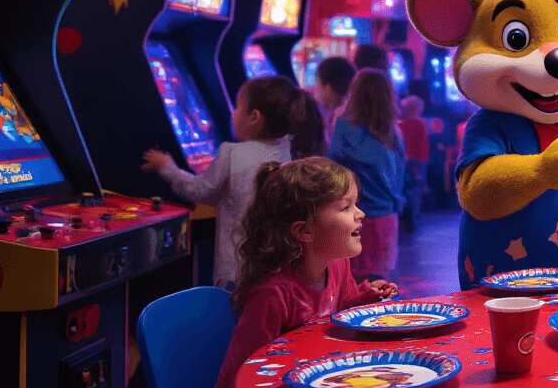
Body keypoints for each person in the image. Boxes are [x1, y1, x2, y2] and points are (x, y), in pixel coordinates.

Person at [187, 157, 398, 388]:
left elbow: (340, 307)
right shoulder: (272, 295)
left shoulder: (337, 266)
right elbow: (247, 371)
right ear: (304, 232)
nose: (360, 214)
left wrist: (365, 297)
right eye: (345, 207)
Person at [142, 75, 315, 289]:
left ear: (254, 117)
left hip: (236, 269)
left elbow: (198, 190)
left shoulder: (231, 153)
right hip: (273, 267)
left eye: (237, 107)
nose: (232, 112)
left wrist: (167, 167)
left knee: (232, 316)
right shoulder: (286, 153)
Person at [327, 69, 406, 280]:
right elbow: (400, 176)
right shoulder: (393, 134)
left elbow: (331, 164)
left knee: (351, 279)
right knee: (379, 279)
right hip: (386, 214)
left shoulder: (344, 126)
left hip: (353, 213)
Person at [398, 94, 430, 232]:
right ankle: (413, 219)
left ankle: (404, 218)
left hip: (404, 160)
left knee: (405, 188)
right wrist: (425, 160)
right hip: (418, 160)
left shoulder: (400, 124)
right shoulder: (419, 123)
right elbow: (423, 144)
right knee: (416, 190)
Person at [315, 56, 355, 139]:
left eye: (317, 84)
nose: (315, 90)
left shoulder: (338, 122)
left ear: (328, 88)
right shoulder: (353, 114)